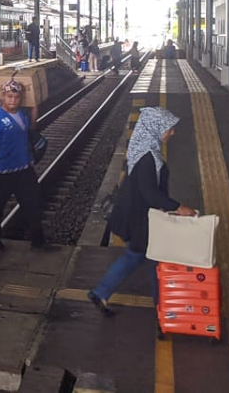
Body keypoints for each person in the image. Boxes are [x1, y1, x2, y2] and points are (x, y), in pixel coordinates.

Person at [87, 108, 196, 315]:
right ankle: (164, 311)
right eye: (169, 128)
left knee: (135, 256)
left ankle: (100, 292)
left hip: (138, 216)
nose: (172, 133)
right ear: (156, 128)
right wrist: (178, 207)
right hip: (141, 220)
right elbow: (150, 193)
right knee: (157, 261)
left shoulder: (144, 150)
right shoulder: (147, 158)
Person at [0, 80, 45, 250]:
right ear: (3, 96)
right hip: (3, 172)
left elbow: (29, 129)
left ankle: (38, 241)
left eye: (17, 97)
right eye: (9, 96)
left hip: (24, 168)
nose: (13, 100)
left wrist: (34, 112)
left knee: (33, 204)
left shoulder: (21, 114)